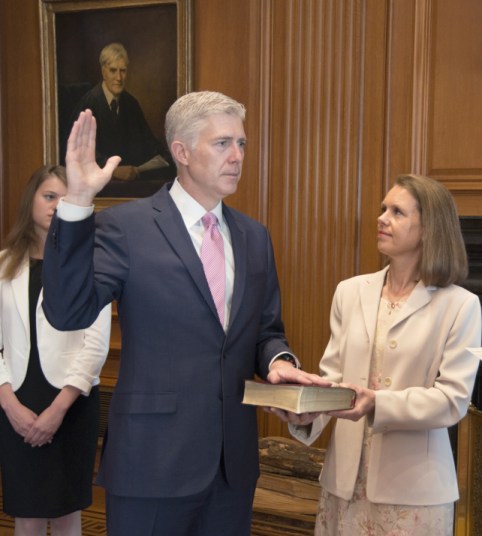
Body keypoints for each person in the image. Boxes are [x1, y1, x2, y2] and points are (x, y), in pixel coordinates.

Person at [42, 91, 328, 536]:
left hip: (231, 468)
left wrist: (280, 364)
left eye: (242, 144)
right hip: (151, 462)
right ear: (181, 152)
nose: (237, 156)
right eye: (222, 144)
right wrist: (77, 202)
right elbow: (67, 311)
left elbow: (265, 332)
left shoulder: (255, 237)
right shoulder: (126, 227)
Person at [281, 174, 482, 535]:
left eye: (397, 212)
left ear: (428, 228)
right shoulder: (350, 291)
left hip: (415, 495)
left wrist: (377, 402)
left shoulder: (461, 306)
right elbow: (333, 379)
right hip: (344, 487)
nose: (382, 218)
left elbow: (453, 401)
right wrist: (304, 410)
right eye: (382, 208)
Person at [0, 165, 111, 536]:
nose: (56, 205)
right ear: (30, 200)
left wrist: (57, 410)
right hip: (16, 399)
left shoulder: (91, 265)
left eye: (66, 199)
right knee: (26, 515)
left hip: (71, 401)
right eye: (49, 196)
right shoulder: (2, 265)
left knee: (67, 515)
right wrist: (9, 404)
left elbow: (95, 345)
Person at [67, 42, 172, 183]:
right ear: (103, 72)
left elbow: (148, 142)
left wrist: (167, 156)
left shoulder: (131, 104)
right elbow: (78, 150)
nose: (119, 78)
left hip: (130, 185)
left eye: (122, 70)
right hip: (98, 186)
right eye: (113, 70)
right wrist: (114, 170)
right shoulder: (89, 104)